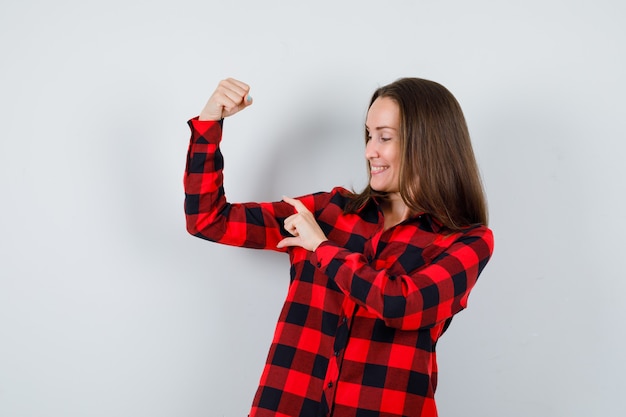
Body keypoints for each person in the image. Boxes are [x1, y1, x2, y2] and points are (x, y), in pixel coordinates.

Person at [184, 77, 494, 417]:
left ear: (428, 144)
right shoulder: (327, 212)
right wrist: (210, 122)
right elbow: (209, 219)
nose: (369, 151)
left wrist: (322, 248)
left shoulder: (466, 241)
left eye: (384, 137)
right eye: (368, 135)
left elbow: (400, 304)